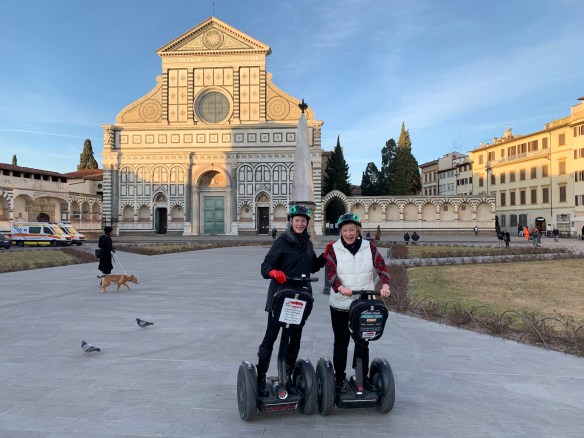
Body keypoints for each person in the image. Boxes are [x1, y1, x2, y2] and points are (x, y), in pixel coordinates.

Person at [257, 205, 326, 396]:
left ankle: (286, 376)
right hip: (280, 295)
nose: (300, 223)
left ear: (307, 223)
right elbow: (265, 265)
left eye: (303, 221)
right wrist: (273, 272)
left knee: (295, 338)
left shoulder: (308, 244)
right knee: (271, 336)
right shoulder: (282, 242)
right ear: (291, 222)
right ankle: (261, 377)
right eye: (297, 220)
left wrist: (325, 256)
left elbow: (312, 267)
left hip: (299, 297)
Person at [325, 213, 391, 393]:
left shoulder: (369, 247)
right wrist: (340, 287)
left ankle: (362, 376)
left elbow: (381, 267)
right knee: (341, 342)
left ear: (358, 230)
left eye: (352, 230)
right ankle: (339, 378)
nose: (349, 234)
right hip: (341, 304)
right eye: (345, 230)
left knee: (363, 341)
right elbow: (331, 273)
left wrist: (385, 285)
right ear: (341, 231)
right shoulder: (334, 249)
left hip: (364, 303)